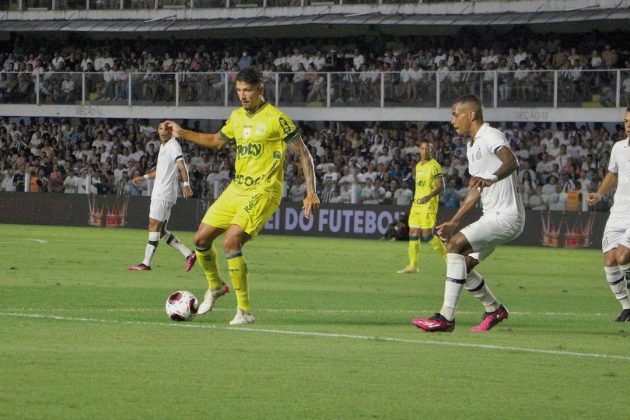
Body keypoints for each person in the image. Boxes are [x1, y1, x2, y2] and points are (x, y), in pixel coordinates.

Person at [165, 67, 320, 325]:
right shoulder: (237, 117)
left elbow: (303, 154)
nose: (242, 95)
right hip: (238, 188)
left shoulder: (277, 119)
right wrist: (182, 133)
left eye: (247, 90)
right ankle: (215, 287)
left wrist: (310, 191)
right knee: (200, 239)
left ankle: (244, 311)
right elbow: (216, 141)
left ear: (260, 89)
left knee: (231, 241)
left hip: (264, 189)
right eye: (238, 90)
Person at [412, 94, 525, 332]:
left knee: (454, 245)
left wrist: (491, 178)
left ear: (471, 115)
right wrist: (454, 220)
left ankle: (446, 317)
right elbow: (476, 190)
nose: (453, 121)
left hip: (507, 216)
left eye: (456, 114)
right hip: (492, 216)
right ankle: (494, 309)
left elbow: (511, 161)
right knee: (462, 264)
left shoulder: (490, 135)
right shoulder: (471, 146)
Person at [128, 121, 196, 272]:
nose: (163, 131)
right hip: (163, 192)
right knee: (162, 231)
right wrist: (144, 177)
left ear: (171, 131)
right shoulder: (164, 146)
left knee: (153, 225)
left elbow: (182, 165)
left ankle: (146, 263)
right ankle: (189, 254)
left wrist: (186, 184)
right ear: (157, 131)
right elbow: (160, 170)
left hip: (163, 193)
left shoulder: (173, 145)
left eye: (166, 129)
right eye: (160, 129)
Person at [587, 108, 630, 322]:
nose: (628, 125)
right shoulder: (619, 148)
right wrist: (599, 194)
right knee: (610, 260)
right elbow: (613, 173)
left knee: (623, 256)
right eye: (626, 121)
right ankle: (627, 307)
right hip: (618, 212)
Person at [397, 141, 447, 274]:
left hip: (428, 204)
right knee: (412, 232)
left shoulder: (435, 166)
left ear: (432, 151)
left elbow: (440, 186)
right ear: (419, 150)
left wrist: (428, 197)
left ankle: (448, 257)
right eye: (423, 148)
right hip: (417, 204)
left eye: (428, 149)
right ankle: (412, 265)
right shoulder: (418, 166)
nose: (426, 151)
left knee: (427, 235)